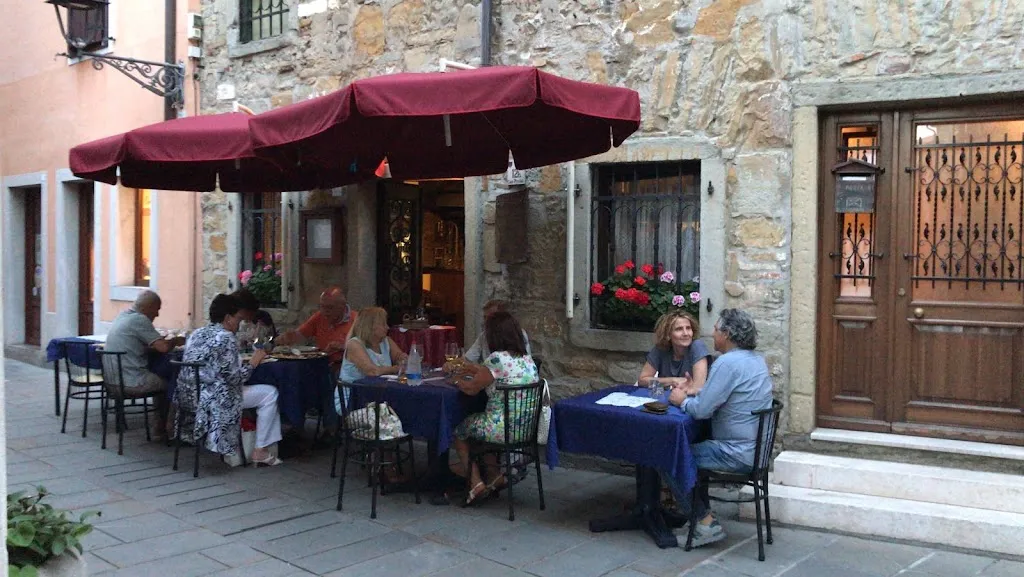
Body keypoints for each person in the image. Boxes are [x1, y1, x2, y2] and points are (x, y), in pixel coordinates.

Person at [664, 309, 774, 548]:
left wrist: (680, 400)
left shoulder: (727, 363)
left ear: (726, 333)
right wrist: (698, 391)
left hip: (734, 452)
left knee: (670, 456)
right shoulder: (756, 359)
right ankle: (701, 517)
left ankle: (704, 523)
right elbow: (728, 394)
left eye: (715, 329)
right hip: (757, 451)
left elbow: (702, 411)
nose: (712, 334)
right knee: (685, 451)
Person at [176, 294, 283, 466]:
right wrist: (255, 362)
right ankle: (260, 450)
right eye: (238, 319)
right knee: (270, 393)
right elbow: (235, 379)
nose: (239, 324)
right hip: (215, 399)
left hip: (189, 397)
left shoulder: (196, 333)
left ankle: (255, 448)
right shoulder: (226, 337)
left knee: (263, 393)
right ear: (227, 318)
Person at [451, 312, 539, 506]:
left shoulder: (496, 359)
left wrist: (456, 381)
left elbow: (472, 389)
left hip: (500, 429)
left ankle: (475, 483)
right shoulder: (527, 360)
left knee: (460, 430)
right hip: (524, 430)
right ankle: (494, 476)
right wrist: (476, 370)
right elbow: (497, 374)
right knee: (481, 423)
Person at [104, 290, 185, 440]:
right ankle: (169, 429)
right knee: (174, 383)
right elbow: (164, 348)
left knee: (161, 375)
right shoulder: (140, 320)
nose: (157, 315)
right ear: (149, 307)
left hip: (113, 381)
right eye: (157, 309)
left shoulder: (123, 316)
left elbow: (141, 345)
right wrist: (177, 340)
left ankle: (160, 427)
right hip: (133, 381)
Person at [334, 307, 408, 414]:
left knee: (406, 407)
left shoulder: (386, 341)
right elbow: (372, 371)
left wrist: (403, 358)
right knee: (398, 410)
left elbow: (399, 356)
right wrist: (397, 368)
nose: (387, 327)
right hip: (354, 400)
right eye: (383, 324)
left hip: (379, 396)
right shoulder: (354, 344)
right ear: (371, 326)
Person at [275, 287, 357, 368]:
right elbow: (301, 335)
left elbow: (367, 350)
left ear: (342, 306)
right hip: (322, 364)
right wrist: (289, 337)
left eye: (330, 307)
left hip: (346, 366)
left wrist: (344, 347)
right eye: (322, 307)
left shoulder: (357, 320)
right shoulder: (319, 316)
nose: (325, 312)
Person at [638, 310, 711, 391]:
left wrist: (661, 383)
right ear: (668, 334)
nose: (686, 333)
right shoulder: (661, 349)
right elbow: (642, 381)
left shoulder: (697, 346)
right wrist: (673, 380)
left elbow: (698, 389)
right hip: (666, 399)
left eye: (688, 328)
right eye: (679, 329)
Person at [464, 300, 531, 363]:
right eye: (485, 317)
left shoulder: (517, 334)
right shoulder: (484, 336)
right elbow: (468, 359)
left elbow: (522, 361)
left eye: (490, 318)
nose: (485, 321)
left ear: (502, 318)